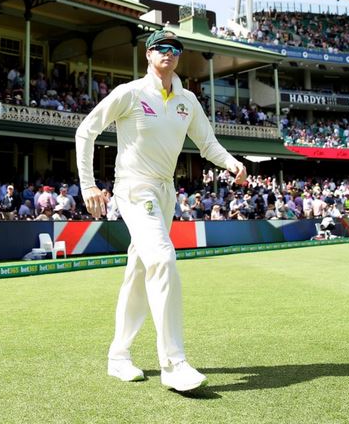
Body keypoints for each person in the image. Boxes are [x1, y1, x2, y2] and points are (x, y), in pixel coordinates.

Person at [75, 29, 247, 392]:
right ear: (149, 54)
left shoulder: (186, 100)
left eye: (175, 49)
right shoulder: (131, 93)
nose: (168, 53)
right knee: (163, 259)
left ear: (179, 57)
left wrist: (232, 163)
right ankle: (173, 363)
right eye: (160, 48)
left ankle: (118, 357)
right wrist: (89, 185)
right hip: (135, 186)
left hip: (165, 190)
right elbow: (86, 131)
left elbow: (207, 143)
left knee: (140, 269)